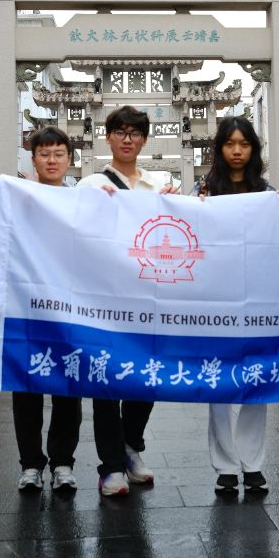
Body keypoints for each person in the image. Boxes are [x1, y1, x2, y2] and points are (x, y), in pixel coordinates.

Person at [77, 105, 177, 497]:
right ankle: (111, 466)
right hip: (104, 297)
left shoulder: (158, 185)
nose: (127, 139)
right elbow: (73, 229)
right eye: (119, 131)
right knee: (106, 383)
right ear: (108, 137)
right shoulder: (89, 185)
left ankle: (131, 445)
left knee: (145, 379)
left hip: (149, 297)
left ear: (145, 140)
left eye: (135, 133)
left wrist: (178, 204)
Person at [192, 116, 271, 494]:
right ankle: (225, 466)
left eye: (244, 144)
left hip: (257, 297)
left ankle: (252, 464)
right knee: (218, 384)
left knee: (256, 381)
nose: (237, 151)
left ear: (253, 148)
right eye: (229, 144)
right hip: (215, 299)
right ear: (219, 148)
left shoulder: (266, 191)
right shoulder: (204, 190)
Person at [13, 126, 82, 492]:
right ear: (33, 159)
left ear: (69, 159)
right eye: (44, 154)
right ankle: (30, 464)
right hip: (27, 308)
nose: (51, 160)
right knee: (26, 386)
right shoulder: (20, 199)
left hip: (69, 310)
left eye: (58, 154)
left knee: (67, 387)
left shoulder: (81, 202)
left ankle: (63, 462)